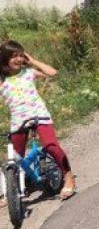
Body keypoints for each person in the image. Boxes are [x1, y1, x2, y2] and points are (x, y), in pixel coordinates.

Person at [0, 40, 76, 200]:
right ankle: (15, 189)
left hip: (39, 114)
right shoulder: (2, 81)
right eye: (14, 56)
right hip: (18, 121)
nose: (19, 59)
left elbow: (52, 73)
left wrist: (33, 61)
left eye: (21, 55)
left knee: (50, 146)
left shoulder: (28, 72)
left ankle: (68, 177)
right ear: (5, 58)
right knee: (15, 157)